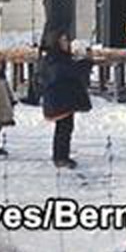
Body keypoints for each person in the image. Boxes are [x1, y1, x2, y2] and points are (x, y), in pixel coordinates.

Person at [39, 32, 92, 169]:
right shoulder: (53, 59)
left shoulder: (61, 57)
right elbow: (66, 71)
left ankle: (63, 155)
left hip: (64, 99)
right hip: (58, 100)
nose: (66, 43)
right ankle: (60, 157)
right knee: (63, 129)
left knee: (66, 128)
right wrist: (85, 63)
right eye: (63, 40)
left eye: (66, 40)